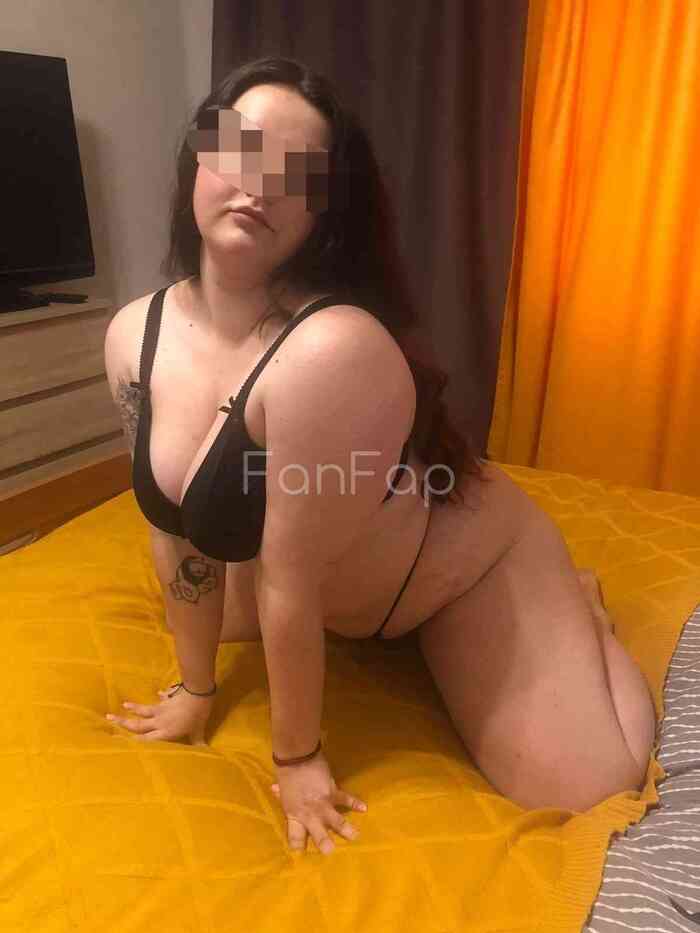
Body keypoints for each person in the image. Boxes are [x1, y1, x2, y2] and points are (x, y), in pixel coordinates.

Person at [104, 56, 656, 856]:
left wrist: (296, 756)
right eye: (240, 150)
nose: (259, 187)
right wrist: (195, 689)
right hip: (342, 580)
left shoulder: (331, 349)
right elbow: (175, 529)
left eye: (297, 174)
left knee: (594, 782)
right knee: (208, 613)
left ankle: (581, 607)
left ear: (320, 214)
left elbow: (290, 580)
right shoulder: (133, 335)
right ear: (197, 158)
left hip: (457, 571)